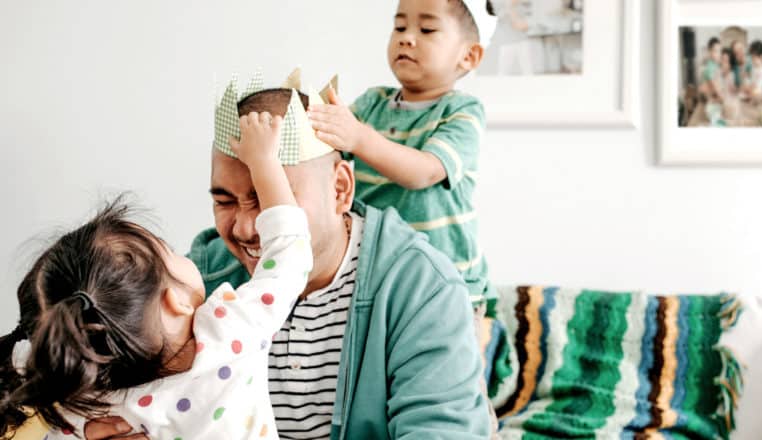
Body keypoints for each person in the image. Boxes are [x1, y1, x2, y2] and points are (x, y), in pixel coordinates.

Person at [81, 73, 490, 439]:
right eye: (225, 201)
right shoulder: (195, 281)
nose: (243, 228)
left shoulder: (423, 290)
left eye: (269, 199)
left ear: (341, 189)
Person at [0, 110, 314, 439]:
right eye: (169, 250)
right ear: (174, 301)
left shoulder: (79, 397)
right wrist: (264, 162)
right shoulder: (229, 335)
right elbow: (290, 257)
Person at [306, 0, 495, 314]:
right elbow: (330, 151)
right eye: (400, 26)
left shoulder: (462, 111)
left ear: (469, 55)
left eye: (427, 28)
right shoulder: (371, 103)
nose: (407, 37)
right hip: (378, 274)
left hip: (447, 284)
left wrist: (359, 136)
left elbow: (423, 172)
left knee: (453, 361)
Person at [480, 0, 533, 75]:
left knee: (528, 72)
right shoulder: (498, 5)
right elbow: (494, 15)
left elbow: (521, 26)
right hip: (507, 43)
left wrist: (511, 7)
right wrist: (509, 7)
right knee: (503, 73)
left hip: (522, 42)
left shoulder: (524, 5)